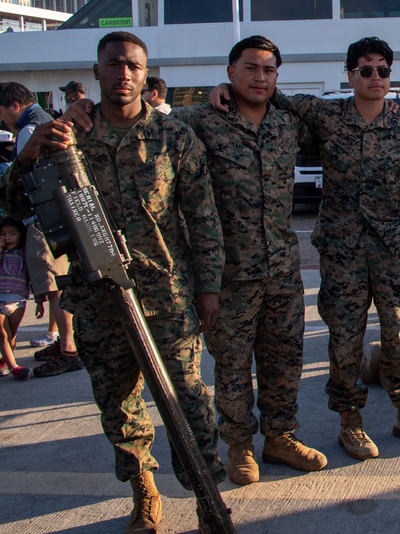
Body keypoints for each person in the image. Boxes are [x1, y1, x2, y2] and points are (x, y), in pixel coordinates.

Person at [69, 35, 327, 485]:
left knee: (285, 361)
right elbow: (144, 121)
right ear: (229, 73)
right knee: (230, 367)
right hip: (229, 274)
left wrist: (276, 93)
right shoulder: (198, 121)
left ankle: (282, 437)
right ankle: (240, 445)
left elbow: (326, 120)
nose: (259, 77)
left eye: (269, 70)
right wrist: (79, 111)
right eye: (249, 68)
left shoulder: (289, 125)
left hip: (282, 268)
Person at [0, 31, 227, 532]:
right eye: (114, 64)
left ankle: (207, 494)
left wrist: (208, 287)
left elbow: (203, 218)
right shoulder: (66, 137)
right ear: (97, 71)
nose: (123, 74)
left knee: (189, 398)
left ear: (145, 75)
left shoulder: (175, 138)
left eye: (133, 66)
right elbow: (16, 209)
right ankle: (143, 489)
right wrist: (27, 157)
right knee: (118, 401)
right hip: (97, 296)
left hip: (166, 293)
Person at [210, 36, 400, 461]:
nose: (375, 77)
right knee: (344, 341)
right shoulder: (326, 115)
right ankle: (349, 423)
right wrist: (224, 90)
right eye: (365, 69)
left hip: (394, 250)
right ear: (350, 74)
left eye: (383, 70)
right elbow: (271, 96)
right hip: (343, 251)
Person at [0, 81, 79, 377]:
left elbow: (23, 181)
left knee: (54, 286)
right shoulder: (46, 120)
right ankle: (63, 343)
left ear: (14, 105)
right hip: (58, 217)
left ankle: (68, 348)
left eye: (2, 112)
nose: (2, 120)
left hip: (43, 220)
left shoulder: (29, 130)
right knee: (56, 284)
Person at [0, 217, 32, 380]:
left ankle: (5, 360)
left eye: (12, 233)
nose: (7, 237)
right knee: (3, 334)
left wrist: (39, 300)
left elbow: (31, 276)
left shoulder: (24, 253)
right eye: (3, 234)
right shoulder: (2, 253)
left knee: (11, 335)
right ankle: (15, 368)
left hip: (18, 301)